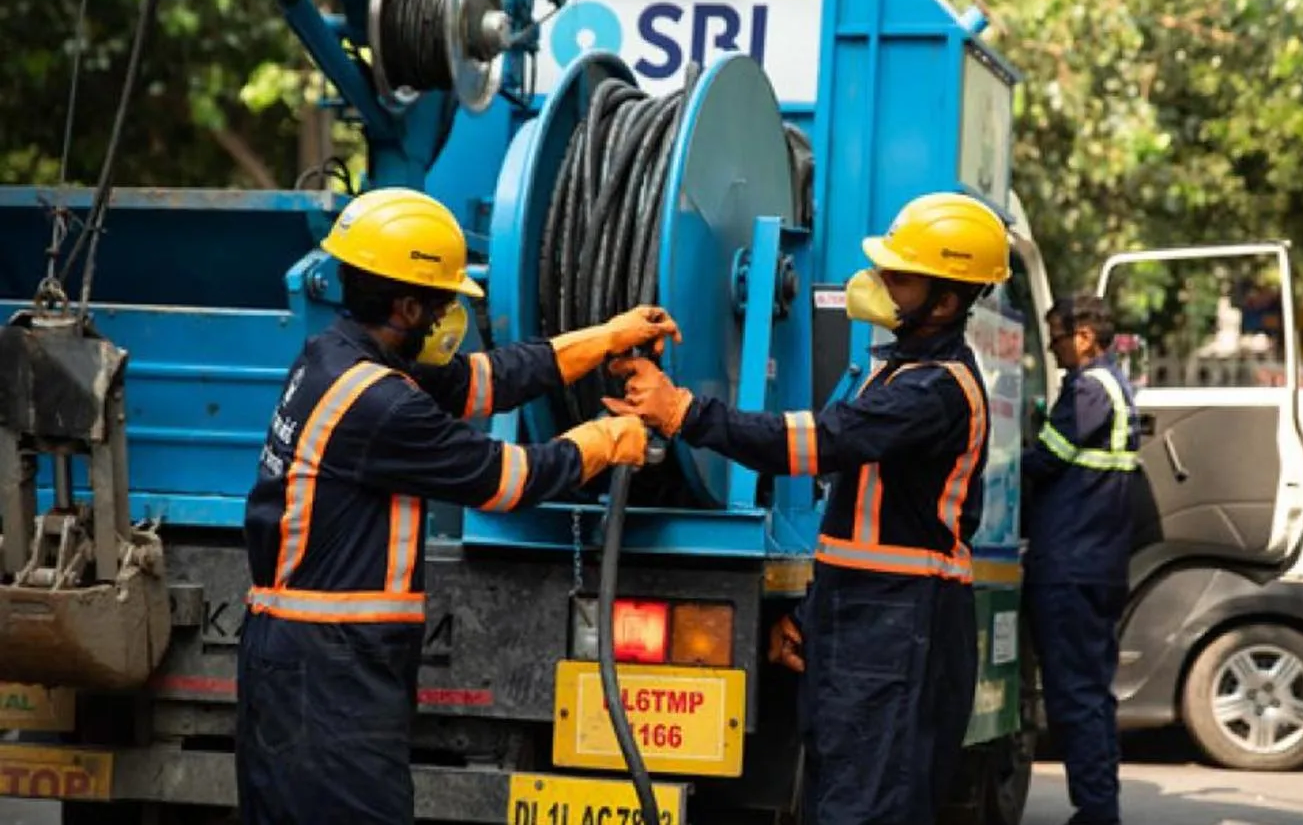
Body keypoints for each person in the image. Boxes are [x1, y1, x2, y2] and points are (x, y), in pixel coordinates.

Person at [234, 187, 676, 824]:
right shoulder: (381, 404)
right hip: (329, 673)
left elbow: (483, 379)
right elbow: (506, 478)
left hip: (304, 661)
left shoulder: (340, 356)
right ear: (408, 305)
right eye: (444, 300)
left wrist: (605, 340)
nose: (452, 315)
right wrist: (608, 440)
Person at [603, 191, 1011, 825]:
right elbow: (861, 529)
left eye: (898, 277)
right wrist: (815, 614)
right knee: (836, 794)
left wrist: (685, 413)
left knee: (867, 807)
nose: (879, 284)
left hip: (902, 629)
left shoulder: (934, 391)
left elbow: (816, 445)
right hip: (871, 620)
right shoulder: (900, 373)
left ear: (949, 300)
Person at [1022, 293, 1140, 825]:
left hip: (1073, 564)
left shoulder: (1091, 389)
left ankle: (1096, 812)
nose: (1052, 346)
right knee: (1089, 692)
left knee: (1077, 695)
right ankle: (1097, 808)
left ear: (1086, 336)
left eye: (1058, 335)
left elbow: (1045, 459)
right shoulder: (1111, 387)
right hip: (1093, 561)